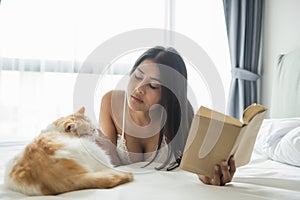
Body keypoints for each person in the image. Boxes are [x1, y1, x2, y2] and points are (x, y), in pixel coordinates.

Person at [98, 46, 235, 186]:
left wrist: (210, 174)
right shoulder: (111, 102)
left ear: (169, 94)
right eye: (138, 76)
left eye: (153, 85)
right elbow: (110, 163)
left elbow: (196, 163)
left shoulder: (181, 111)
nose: (139, 89)